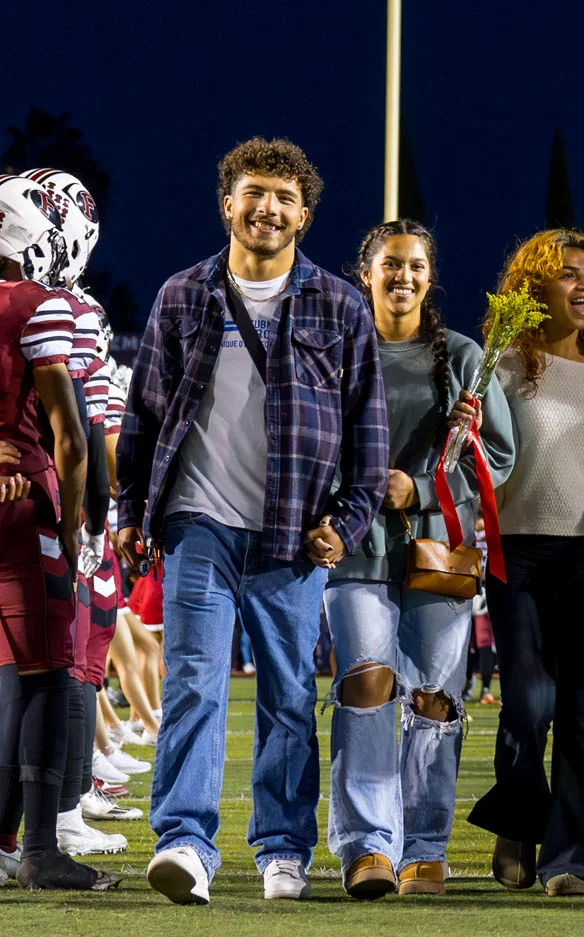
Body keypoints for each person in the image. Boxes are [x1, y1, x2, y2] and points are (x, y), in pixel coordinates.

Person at [117, 138, 389, 905]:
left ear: (305, 213)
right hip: (198, 519)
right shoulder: (182, 294)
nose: (267, 206)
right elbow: (142, 418)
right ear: (226, 202)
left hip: (293, 532)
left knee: (288, 696)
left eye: (283, 196)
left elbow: (369, 435)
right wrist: (131, 513)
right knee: (194, 683)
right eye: (253, 191)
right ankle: (184, 842)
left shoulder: (339, 304)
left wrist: (350, 518)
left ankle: (282, 846)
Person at [323, 220, 514, 899]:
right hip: (357, 549)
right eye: (390, 265)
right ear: (366, 273)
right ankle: (369, 843)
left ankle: (424, 845)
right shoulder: (340, 350)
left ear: (430, 279)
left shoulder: (464, 356)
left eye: (415, 267)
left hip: (438, 547)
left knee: (434, 698)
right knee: (367, 683)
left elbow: (502, 457)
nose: (402, 276)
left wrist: (427, 485)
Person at [467, 228, 584, 898]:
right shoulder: (501, 361)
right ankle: (517, 818)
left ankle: (570, 860)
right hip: (522, 551)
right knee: (529, 704)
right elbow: (472, 456)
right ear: (537, 285)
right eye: (568, 273)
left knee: (581, 711)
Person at [0, 175, 116, 890]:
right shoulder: (45, 307)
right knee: (47, 674)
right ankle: (43, 844)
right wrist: (79, 525)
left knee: (8, 676)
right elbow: (76, 438)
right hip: (27, 512)